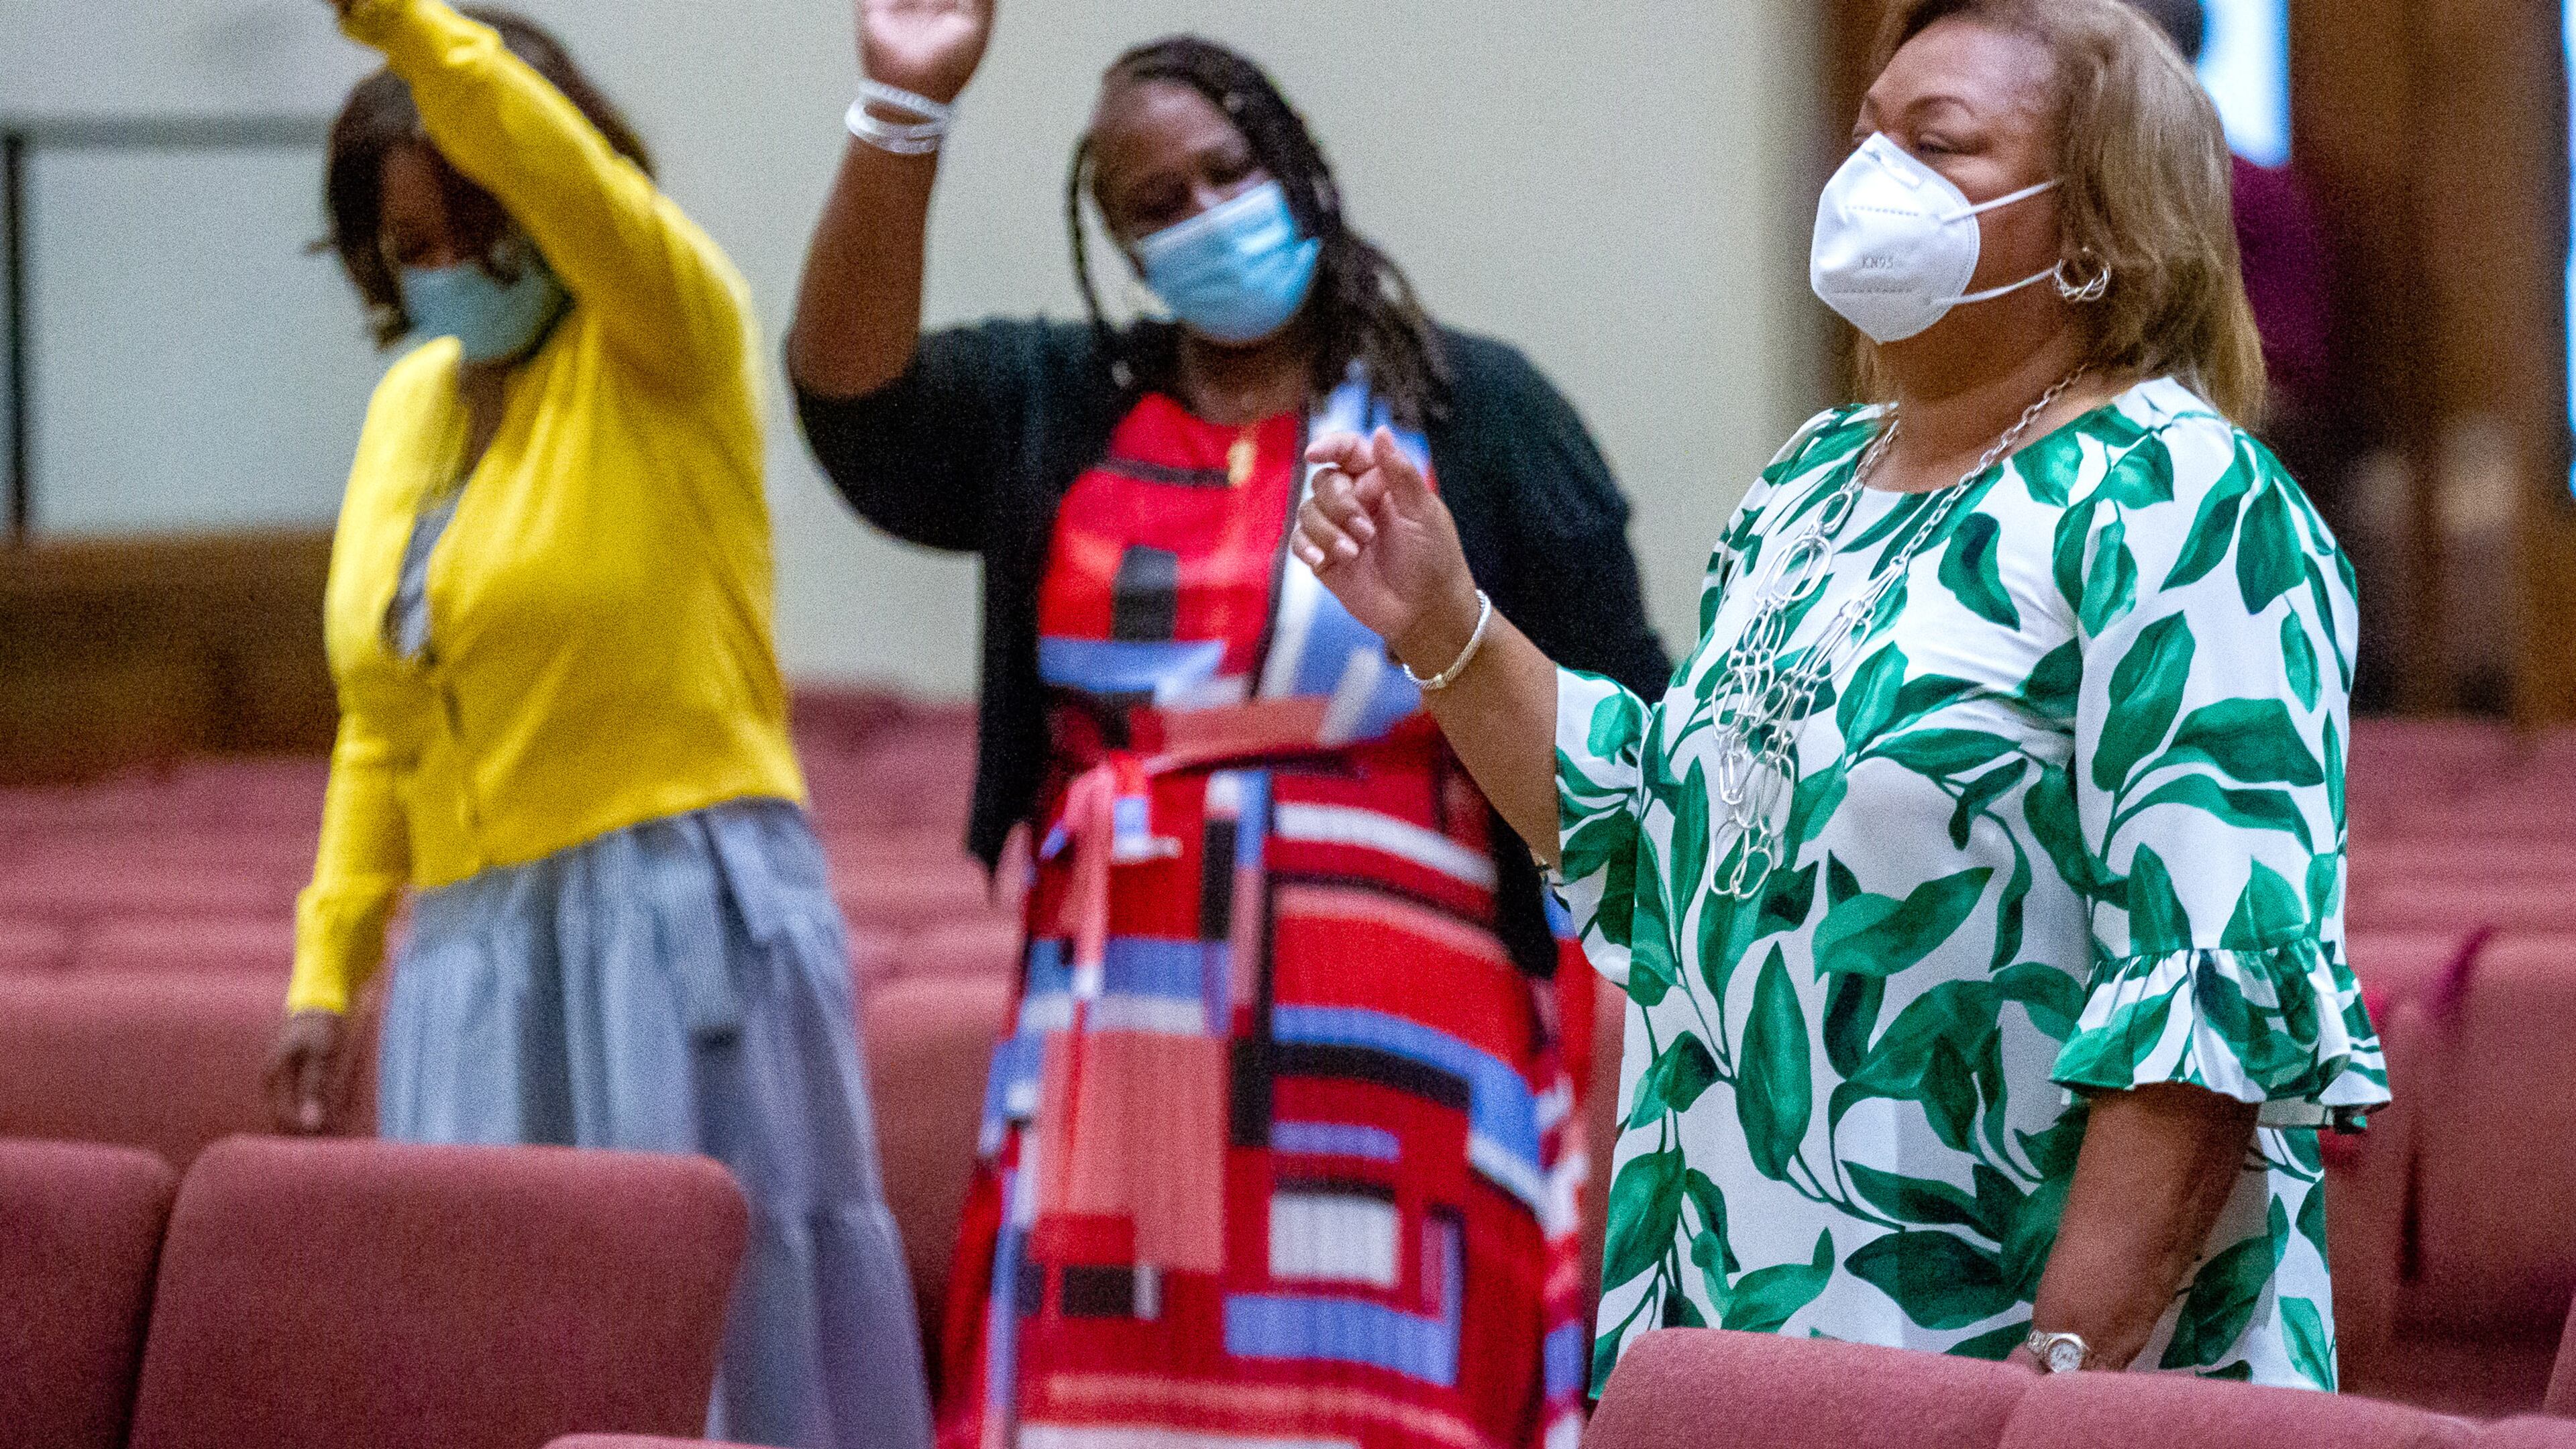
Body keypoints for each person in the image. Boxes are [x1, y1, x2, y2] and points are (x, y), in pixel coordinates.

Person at [1294, 0, 2383, 1392]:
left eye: (1943, 146)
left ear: (2102, 223)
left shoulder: (2183, 503)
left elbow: (2208, 1012)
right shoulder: (1816, 481)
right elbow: (1653, 847)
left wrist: (2053, 1389)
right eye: (1869, 136)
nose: (1873, 180)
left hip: (2015, 1365)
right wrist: (1444, 620)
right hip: (1743, 1334)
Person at [787, 1, 1668, 1442]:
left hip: (1407, 1032)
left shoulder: (1479, 405)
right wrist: (905, 112)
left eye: (1227, 172)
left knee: (1388, 1391)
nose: (1205, 212)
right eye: (1158, 203)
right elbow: (851, 402)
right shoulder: (1057, 399)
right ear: (1123, 247)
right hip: (1122, 1017)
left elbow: (1627, 717)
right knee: (1126, 1398)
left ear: (1299, 169)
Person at [260, 3, 932, 1446]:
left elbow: (567, 179)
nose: (448, 274)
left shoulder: (662, 329)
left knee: (714, 1337)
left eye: (475, 231)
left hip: (673, 907)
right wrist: (328, 963)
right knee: (493, 1331)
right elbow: (384, 716)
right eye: (411, 249)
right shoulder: (408, 413)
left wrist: (405, 27)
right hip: (466, 947)